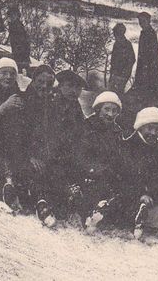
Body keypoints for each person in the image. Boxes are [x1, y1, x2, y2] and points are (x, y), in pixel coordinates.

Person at [29, 69, 87, 227]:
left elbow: (79, 135)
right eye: (69, 86)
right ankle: (41, 204)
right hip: (42, 154)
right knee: (42, 176)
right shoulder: (48, 102)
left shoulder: (75, 108)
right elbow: (33, 131)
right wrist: (33, 155)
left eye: (78, 88)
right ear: (60, 86)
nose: (74, 91)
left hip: (63, 157)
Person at [0, 64, 56, 212]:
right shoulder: (21, 100)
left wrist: (44, 156)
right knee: (27, 173)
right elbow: (13, 135)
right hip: (17, 153)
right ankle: (14, 192)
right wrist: (30, 156)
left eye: (49, 84)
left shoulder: (50, 106)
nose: (44, 86)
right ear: (33, 81)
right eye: (40, 81)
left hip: (38, 156)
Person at [72, 91, 125, 232]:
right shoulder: (87, 127)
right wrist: (97, 169)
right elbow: (80, 155)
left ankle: (102, 210)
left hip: (107, 174)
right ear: (98, 109)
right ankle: (91, 215)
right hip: (87, 172)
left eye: (114, 111)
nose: (110, 114)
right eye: (106, 109)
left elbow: (118, 157)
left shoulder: (117, 132)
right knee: (93, 188)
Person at [134, 12, 158, 107]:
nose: (141, 23)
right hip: (143, 70)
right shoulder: (144, 33)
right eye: (140, 21)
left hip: (149, 71)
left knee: (149, 96)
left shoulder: (150, 34)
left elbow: (153, 55)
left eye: (143, 21)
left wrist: (147, 70)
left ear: (148, 21)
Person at [108, 23, 135, 94]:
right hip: (115, 74)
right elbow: (113, 61)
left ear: (120, 33)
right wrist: (112, 74)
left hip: (122, 76)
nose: (115, 36)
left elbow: (132, 60)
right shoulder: (116, 44)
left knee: (118, 94)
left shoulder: (127, 45)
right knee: (111, 93)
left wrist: (124, 74)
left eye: (116, 34)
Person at [7, 7, 31, 76]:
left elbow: (22, 40)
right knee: (21, 66)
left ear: (17, 16)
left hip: (21, 51)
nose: (11, 17)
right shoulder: (12, 25)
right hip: (18, 50)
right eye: (10, 16)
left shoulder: (17, 26)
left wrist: (19, 49)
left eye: (13, 15)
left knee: (22, 65)